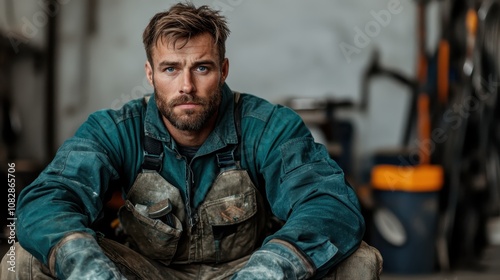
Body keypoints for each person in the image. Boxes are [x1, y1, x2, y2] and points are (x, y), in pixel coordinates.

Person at [1, 3, 382, 279]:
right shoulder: (114, 130)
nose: (187, 86)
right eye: (171, 69)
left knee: (359, 263)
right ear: (150, 74)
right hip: (144, 273)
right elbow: (50, 197)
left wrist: (271, 268)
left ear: (223, 70)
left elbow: (330, 203)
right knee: (20, 263)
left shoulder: (269, 127)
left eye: (202, 67)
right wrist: (88, 267)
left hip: (246, 271)